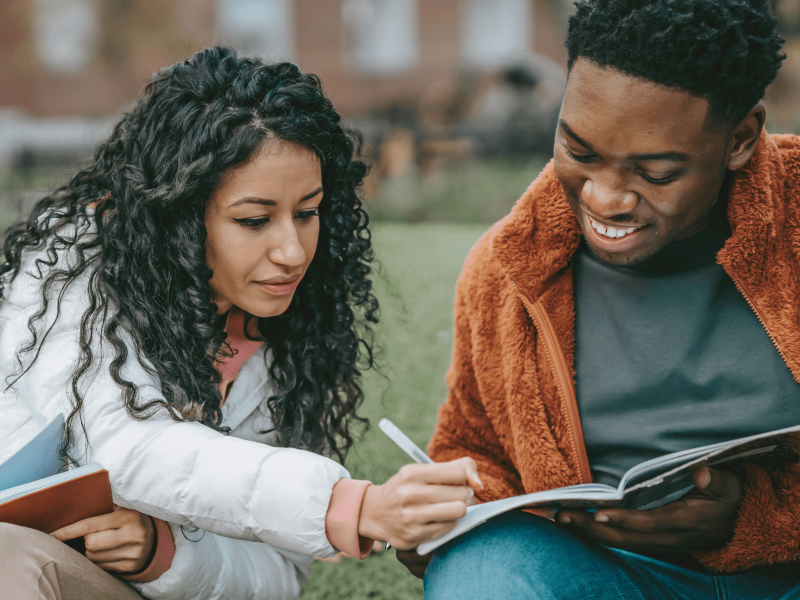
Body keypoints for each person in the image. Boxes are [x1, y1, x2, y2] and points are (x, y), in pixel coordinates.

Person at [0, 47, 481, 600]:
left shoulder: (292, 340)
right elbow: (119, 443)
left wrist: (162, 553)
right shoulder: (70, 268)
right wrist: (351, 505)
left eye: (307, 213)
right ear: (177, 217)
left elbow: (277, 576)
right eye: (255, 220)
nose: (292, 252)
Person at [397, 0, 800, 598]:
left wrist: (752, 520)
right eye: (580, 152)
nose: (606, 198)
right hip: (604, 573)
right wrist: (440, 516)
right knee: (480, 578)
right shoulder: (510, 267)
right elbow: (474, 447)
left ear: (740, 137)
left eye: (656, 173)